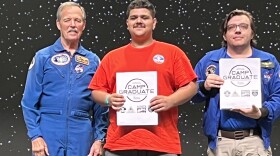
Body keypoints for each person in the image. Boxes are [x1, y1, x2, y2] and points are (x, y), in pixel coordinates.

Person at [88, 0, 197, 155]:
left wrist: (170, 100)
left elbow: (191, 86)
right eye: (134, 18)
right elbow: (95, 91)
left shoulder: (172, 53)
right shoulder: (112, 57)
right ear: (127, 23)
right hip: (120, 144)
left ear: (154, 23)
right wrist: (108, 99)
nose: (139, 21)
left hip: (162, 145)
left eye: (144, 17)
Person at [21, 2, 108, 156]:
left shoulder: (93, 61)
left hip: (81, 133)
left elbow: (100, 107)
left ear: (84, 25)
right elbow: (28, 102)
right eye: (67, 20)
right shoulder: (43, 57)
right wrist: (35, 136)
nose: (72, 25)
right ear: (58, 24)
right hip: (49, 131)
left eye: (78, 20)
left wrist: (98, 139)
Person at [192, 9, 280, 156]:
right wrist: (204, 86)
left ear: (252, 33)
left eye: (243, 26)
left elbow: (278, 95)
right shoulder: (209, 60)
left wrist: (261, 112)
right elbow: (191, 94)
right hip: (220, 143)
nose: (237, 30)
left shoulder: (268, 62)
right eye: (232, 27)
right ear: (224, 35)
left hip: (255, 141)